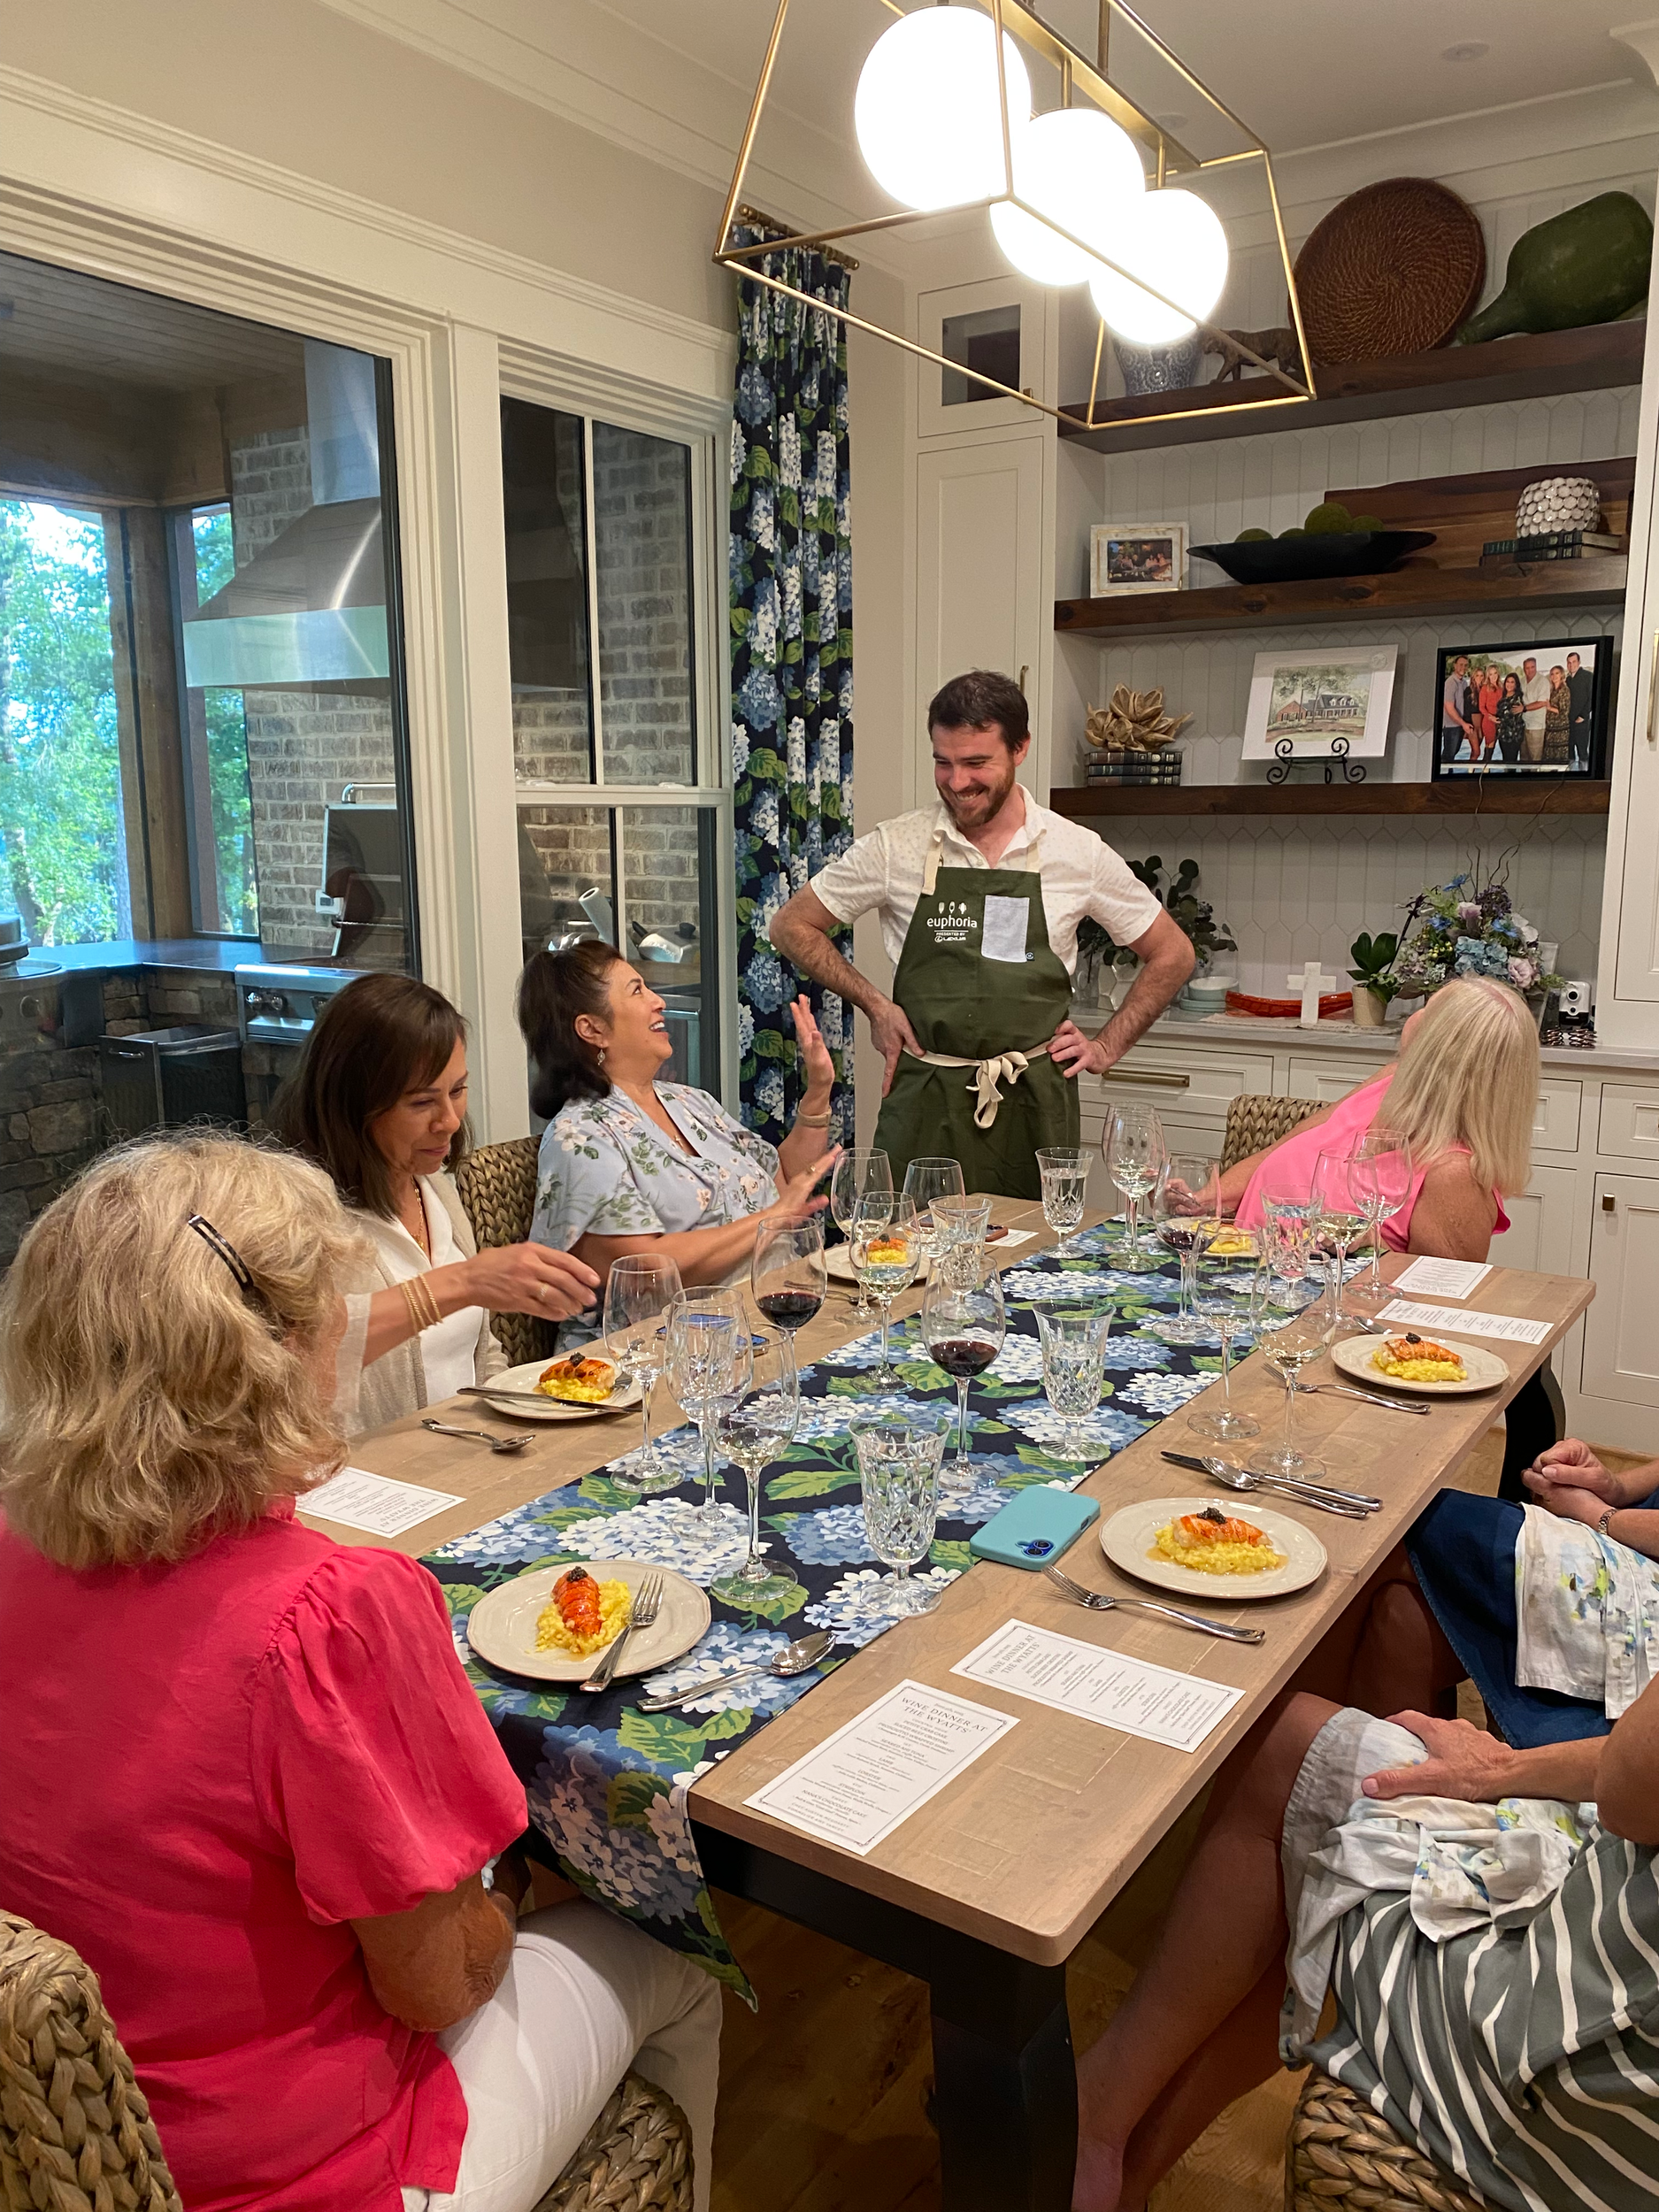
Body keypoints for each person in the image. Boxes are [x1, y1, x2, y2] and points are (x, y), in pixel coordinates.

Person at [0, 1134, 721, 2212]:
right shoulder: (322, 1615)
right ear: (280, 1349)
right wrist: (510, 1882)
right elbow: (438, 1986)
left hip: (67, 2150)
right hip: (303, 2171)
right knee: (672, 1949)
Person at [1070, 1683, 1659, 2212]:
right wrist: (1499, 1767)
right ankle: (1118, 2170)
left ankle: (1090, 2130)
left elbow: (1628, 1790)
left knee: (1290, 1746)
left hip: (1561, 2078)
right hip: (1609, 1959)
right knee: (1392, 1626)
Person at [766, 668, 1194, 1197]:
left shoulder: (1075, 851)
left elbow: (1172, 953)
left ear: (1020, 748)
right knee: (909, 1257)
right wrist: (875, 1005)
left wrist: (1107, 1046)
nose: (957, 782)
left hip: (1035, 1101)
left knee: (1035, 1266)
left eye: (976, 763)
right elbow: (792, 925)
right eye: (942, 763)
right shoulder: (896, 846)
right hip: (925, 1093)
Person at [273, 972, 599, 1428]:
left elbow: (482, 1354)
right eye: (422, 1102)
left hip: (460, 1462)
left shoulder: (436, 1188)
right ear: (351, 1103)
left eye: (458, 1090)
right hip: (364, 1483)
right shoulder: (297, 1218)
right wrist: (463, 1283)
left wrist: (517, 1424)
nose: (448, 1120)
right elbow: (297, 1364)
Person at [520, 942, 838, 1336]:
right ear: (593, 1029)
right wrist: (770, 1220)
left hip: (771, 1320)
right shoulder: (579, 1137)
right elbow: (644, 1268)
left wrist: (819, 1090)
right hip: (661, 1357)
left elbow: (784, 1179)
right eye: (637, 990)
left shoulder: (690, 1102)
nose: (658, 1001)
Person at [1224, 975, 1537, 1263]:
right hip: (1241, 1267)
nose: (1414, 1016)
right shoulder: (1390, 1085)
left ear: (1438, 1049)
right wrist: (1214, 1194)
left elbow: (1439, 1298)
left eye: (1428, 1010)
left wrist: (1372, 1239)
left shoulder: (1455, 1175)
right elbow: (1293, 1143)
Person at [1440, 653, 1475, 763]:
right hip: (1451, 727)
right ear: (1455, 666)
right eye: (1460, 665)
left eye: (1465, 665)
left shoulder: (1464, 683)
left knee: (1453, 754)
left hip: (1459, 726)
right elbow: (1449, 707)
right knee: (1448, 756)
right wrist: (1463, 724)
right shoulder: (1450, 683)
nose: (1463, 668)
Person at [1565, 647, 1594, 767]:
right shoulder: (1567, 679)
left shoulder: (1588, 676)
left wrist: (1583, 715)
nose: (1571, 665)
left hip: (1582, 722)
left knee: (1582, 752)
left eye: (1574, 662)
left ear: (1579, 662)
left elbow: (1592, 697)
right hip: (1568, 722)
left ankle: (1584, 779)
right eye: (1569, 662)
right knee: (1569, 752)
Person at [1520, 652, 1551, 764]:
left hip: (1536, 726)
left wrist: (1524, 708)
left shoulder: (1543, 681)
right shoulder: (1522, 681)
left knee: (1535, 759)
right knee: (1524, 758)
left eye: (1532, 667)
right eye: (1527, 668)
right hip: (1523, 725)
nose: (1530, 670)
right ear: (1524, 669)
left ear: (1536, 667)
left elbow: (1542, 702)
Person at [1495, 669, 1526, 763]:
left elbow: (1510, 717)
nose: (1509, 684)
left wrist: (1496, 719)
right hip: (1503, 736)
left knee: (1511, 762)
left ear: (1516, 684)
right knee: (1505, 760)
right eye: (1508, 682)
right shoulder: (1503, 698)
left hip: (1513, 737)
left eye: (1512, 682)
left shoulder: (1517, 698)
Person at [1475, 659, 1502, 763]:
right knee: (1489, 748)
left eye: (1495, 673)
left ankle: (1486, 770)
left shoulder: (1501, 687)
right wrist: (1491, 717)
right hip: (1489, 721)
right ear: (1488, 676)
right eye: (1491, 674)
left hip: (1499, 721)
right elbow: (1481, 707)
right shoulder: (1485, 688)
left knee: (1493, 747)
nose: (1493, 676)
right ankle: (1483, 771)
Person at [1544, 664, 1571, 764]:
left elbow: (1564, 711)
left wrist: (1550, 708)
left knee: (1559, 759)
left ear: (1561, 675)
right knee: (1549, 758)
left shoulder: (1564, 690)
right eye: (1552, 674)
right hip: (1550, 729)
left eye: (1557, 673)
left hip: (1560, 730)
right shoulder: (1551, 690)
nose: (1554, 676)